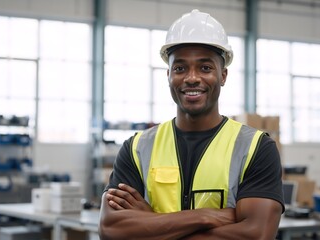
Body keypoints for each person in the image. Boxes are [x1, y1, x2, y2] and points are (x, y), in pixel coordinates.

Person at [99, 9, 284, 240]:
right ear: (168, 75)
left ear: (223, 76)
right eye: (180, 68)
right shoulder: (137, 148)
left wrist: (152, 221)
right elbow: (111, 230)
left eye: (205, 68)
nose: (191, 78)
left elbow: (256, 234)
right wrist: (206, 216)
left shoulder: (256, 148)